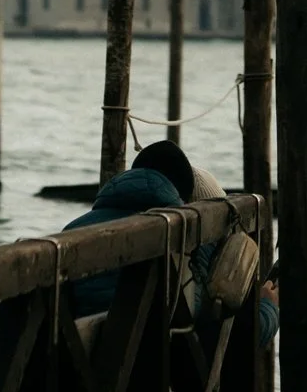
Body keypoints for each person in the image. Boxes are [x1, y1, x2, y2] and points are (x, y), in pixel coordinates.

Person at [64, 140, 279, 346]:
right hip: (151, 371)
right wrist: (268, 308)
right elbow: (218, 339)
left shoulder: (73, 231)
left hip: (75, 369)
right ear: (183, 197)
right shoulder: (182, 238)